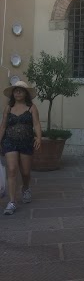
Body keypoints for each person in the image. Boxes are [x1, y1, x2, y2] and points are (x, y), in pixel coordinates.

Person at [0, 81, 41, 215]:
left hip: (26, 142)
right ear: (13, 93)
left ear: (25, 94)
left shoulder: (31, 107)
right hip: (9, 142)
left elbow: (36, 124)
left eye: (20, 90)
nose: (18, 92)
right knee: (12, 170)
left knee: (25, 172)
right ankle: (12, 202)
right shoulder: (8, 108)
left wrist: (39, 137)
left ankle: (26, 187)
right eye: (16, 90)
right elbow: (3, 126)